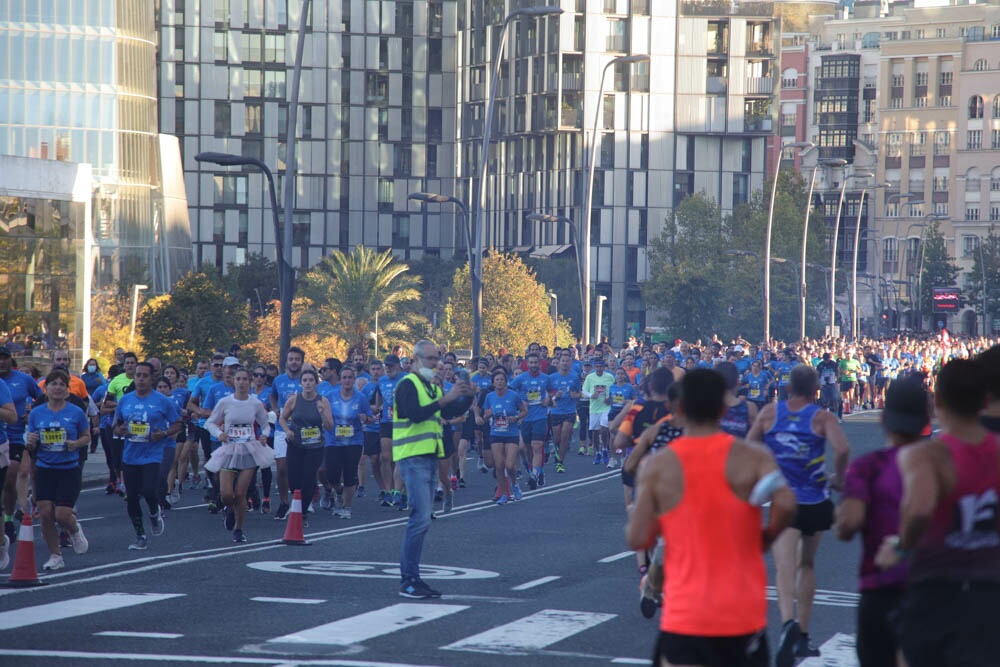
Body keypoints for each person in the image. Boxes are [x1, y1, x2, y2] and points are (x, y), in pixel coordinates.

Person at [625, 369, 797, 667]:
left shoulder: (657, 466)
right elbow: (786, 502)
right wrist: (765, 538)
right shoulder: (755, 457)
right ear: (723, 408)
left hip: (686, 615)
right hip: (742, 613)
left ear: (678, 408)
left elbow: (638, 537)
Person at [874, 359, 1000, 667]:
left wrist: (900, 547)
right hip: (989, 588)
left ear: (938, 401)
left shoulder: (925, 455)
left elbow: (918, 510)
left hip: (937, 586)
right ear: (985, 400)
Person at [747, 364, 850, 667]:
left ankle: (788, 623)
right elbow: (842, 449)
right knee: (806, 564)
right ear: (817, 389)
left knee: (784, 566)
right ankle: (803, 635)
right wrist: (838, 478)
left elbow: (749, 446)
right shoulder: (822, 416)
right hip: (816, 498)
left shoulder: (769, 413)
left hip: (784, 498)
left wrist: (764, 473)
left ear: (788, 387)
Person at [836, 375, 929, 667]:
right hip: (932, 588)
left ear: (884, 419)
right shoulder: (944, 465)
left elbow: (848, 525)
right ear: (928, 417)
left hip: (880, 588)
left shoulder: (867, 467)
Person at [394, 340, 472, 599]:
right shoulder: (407, 384)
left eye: (436, 359)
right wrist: (447, 398)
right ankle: (408, 580)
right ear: (415, 360)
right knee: (419, 517)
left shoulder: (430, 387)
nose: (435, 363)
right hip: (412, 457)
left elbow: (450, 409)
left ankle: (413, 578)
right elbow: (414, 413)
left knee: (423, 519)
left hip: (429, 457)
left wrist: (469, 396)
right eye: (429, 359)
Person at [24, 369, 90, 571]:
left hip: (68, 468)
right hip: (44, 468)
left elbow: (86, 436)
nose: (58, 388)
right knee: (45, 514)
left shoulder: (75, 412)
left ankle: (74, 528)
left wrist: (76, 443)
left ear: (67, 390)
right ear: (46, 389)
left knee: (61, 515)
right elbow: (29, 438)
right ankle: (55, 555)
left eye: (62, 384)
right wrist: (30, 440)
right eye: (54, 384)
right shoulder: (37, 413)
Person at [113, 362, 182, 550]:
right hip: (130, 455)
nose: (141, 379)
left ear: (152, 379)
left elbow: (177, 423)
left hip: (153, 454)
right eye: (138, 375)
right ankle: (140, 535)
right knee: (132, 497)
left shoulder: (162, 401)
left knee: (149, 491)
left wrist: (164, 434)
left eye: (144, 376)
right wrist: (121, 430)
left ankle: (154, 512)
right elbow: (117, 426)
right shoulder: (125, 400)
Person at [204, 367, 273, 542]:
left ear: (249, 382)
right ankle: (229, 509)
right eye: (238, 379)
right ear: (233, 381)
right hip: (229, 450)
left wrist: (264, 435)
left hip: (248, 450)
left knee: (241, 493)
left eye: (244, 379)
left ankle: (239, 529)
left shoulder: (255, 403)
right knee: (227, 494)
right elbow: (210, 422)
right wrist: (219, 434)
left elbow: (265, 424)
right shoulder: (225, 402)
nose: (241, 382)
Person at [0, 345, 42, 549]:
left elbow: (42, 398)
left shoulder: (23, 379)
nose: (1, 362)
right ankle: (6, 519)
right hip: (4, 436)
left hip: (16, 435)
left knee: (12, 477)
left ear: (11, 359)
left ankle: (7, 519)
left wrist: (31, 413)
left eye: (5, 358)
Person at [278, 367, 333, 522]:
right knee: (294, 479)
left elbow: (329, 426)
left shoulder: (323, 401)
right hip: (296, 444)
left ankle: (301, 512)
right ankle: (297, 506)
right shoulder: (295, 399)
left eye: (311, 380)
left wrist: (322, 413)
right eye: (305, 381)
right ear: (301, 383)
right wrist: (287, 430)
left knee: (308, 479)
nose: (308, 383)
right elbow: (282, 418)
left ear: (316, 383)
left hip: (315, 447)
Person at [318, 366, 372, 520]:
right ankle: (338, 492)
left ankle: (347, 507)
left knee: (349, 474)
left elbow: (370, 417)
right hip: (333, 441)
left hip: (353, 441)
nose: (347, 380)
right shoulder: (330, 396)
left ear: (354, 380)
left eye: (350, 377)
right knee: (331, 473)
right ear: (341, 380)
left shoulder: (360, 398)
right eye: (345, 377)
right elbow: (325, 418)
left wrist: (365, 418)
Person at [480, 369, 527, 505]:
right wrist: (487, 415)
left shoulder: (514, 396)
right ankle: (505, 494)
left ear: (506, 382)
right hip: (496, 433)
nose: (499, 382)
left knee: (509, 465)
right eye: (497, 380)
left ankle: (515, 484)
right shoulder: (490, 397)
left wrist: (516, 417)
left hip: (511, 433)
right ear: (493, 383)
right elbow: (486, 413)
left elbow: (524, 411)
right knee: (499, 466)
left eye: (502, 380)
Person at [269, 347, 306, 519]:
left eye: (297, 359)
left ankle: (302, 502)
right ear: (286, 361)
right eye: (291, 359)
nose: (294, 362)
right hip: (281, 428)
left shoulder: (307, 380)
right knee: (282, 468)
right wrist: (276, 409)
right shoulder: (278, 380)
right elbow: (273, 396)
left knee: (299, 469)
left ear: (302, 361)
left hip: (302, 430)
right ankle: (284, 503)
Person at [582, 358, 615, 465]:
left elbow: (614, 389)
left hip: (606, 407)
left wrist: (610, 399)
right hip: (594, 408)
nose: (599, 369)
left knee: (604, 428)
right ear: (594, 367)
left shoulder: (609, 377)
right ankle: (598, 452)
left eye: (601, 366)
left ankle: (605, 449)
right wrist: (592, 395)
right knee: (595, 432)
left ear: (604, 367)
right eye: (597, 367)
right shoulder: (590, 377)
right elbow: (584, 390)